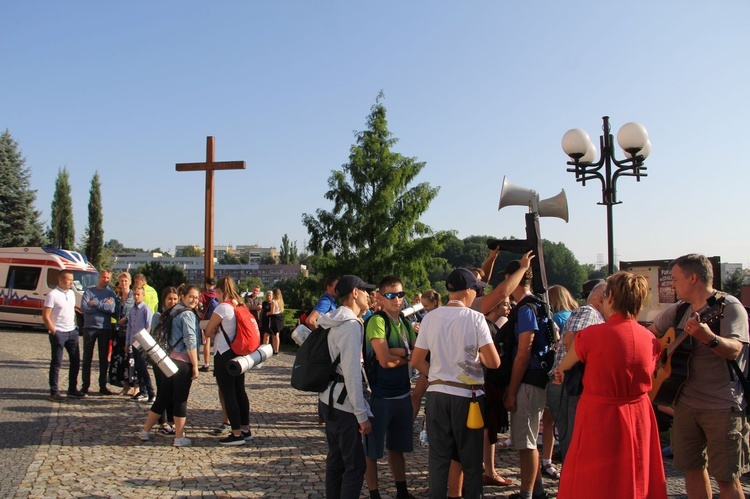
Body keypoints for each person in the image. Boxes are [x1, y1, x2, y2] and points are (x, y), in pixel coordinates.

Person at [556, 272, 667, 499]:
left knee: (594, 477)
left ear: (611, 298)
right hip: (638, 413)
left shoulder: (592, 335)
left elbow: (564, 366)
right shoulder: (650, 339)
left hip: (600, 413)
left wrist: (560, 373)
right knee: (635, 472)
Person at [648, 254, 750, 499]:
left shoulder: (728, 306)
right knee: (691, 469)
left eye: (675, 278)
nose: (672, 284)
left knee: (726, 477)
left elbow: (735, 349)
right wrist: (656, 357)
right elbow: (651, 336)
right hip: (684, 404)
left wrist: (710, 338)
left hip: (721, 406)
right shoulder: (679, 309)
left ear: (692, 278)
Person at [412, 268, 501, 499]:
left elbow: (417, 360)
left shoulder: (430, 317)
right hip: (467, 396)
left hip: (437, 394)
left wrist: (436, 376)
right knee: (471, 460)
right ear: (469, 291)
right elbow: (494, 361)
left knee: (438, 460)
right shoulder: (476, 318)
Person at [317, 275, 375, 499]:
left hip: (327, 399)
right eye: (365, 290)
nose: (369, 295)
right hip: (344, 405)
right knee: (355, 467)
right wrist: (362, 415)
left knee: (336, 462)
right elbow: (351, 373)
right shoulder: (351, 326)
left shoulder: (332, 318)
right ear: (354, 293)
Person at [364, 275, 417, 499]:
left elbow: (417, 354)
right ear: (380, 298)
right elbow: (385, 361)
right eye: (391, 295)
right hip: (381, 395)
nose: (397, 299)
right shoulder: (378, 321)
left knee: (398, 447)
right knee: (372, 451)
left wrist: (401, 353)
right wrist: (407, 356)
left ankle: (402, 491)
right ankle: (374, 493)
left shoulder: (404, 323)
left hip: (403, 393)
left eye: (400, 294)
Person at [502, 260, 550, 499]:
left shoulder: (526, 308)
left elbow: (523, 352)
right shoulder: (540, 304)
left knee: (526, 441)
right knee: (527, 436)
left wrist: (511, 391)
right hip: (536, 378)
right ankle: (537, 489)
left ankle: (526, 493)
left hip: (527, 380)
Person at [546, 279, 605, 463]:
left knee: (574, 443)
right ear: (603, 298)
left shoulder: (593, 314)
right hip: (568, 384)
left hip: (568, 384)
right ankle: (571, 488)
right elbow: (571, 340)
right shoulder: (589, 312)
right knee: (573, 445)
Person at [136, 284, 201, 447]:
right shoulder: (187, 314)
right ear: (183, 296)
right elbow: (190, 341)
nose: (194, 300)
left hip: (167, 360)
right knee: (180, 399)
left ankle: (145, 431)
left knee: (163, 397)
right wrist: (195, 365)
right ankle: (179, 437)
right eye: (191, 297)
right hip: (182, 362)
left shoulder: (174, 310)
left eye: (196, 297)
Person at [205, 277, 254, 446]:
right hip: (238, 354)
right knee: (240, 391)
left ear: (220, 291)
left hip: (223, 353)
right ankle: (245, 429)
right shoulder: (239, 305)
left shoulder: (223, 307)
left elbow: (208, 331)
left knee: (228, 393)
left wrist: (213, 331)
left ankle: (236, 433)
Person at [539, 285, 579, 479]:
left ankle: (547, 460)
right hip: (575, 376)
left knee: (551, 420)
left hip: (558, 374)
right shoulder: (575, 315)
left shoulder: (555, 318)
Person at [44, 270, 86, 401]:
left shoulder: (72, 294)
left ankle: (72, 388)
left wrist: (75, 329)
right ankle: (54, 391)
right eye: (69, 280)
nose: (71, 282)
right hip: (58, 332)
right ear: (61, 280)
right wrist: (54, 331)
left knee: (75, 361)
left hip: (72, 331)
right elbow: (45, 316)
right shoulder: (53, 295)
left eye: (72, 279)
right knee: (56, 362)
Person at [80, 269, 116, 395]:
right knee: (87, 358)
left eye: (108, 278)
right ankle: (85, 386)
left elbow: (111, 309)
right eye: (103, 277)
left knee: (103, 359)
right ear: (99, 277)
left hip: (104, 328)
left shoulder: (111, 293)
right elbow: (84, 307)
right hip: (89, 327)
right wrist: (102, 306)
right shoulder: (89, 291)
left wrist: (94, 303)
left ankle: (102, 385)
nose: (105, 280)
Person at [150, 287, 180, 435]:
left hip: (175, 357)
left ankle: (171, 422)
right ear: (164, 300)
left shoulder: (179, 315)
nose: (172, 302)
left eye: (175, 299)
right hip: (160, 358)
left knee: (173, 391)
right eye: (170, 299)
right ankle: (162, 422)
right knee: (162, 390)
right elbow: (154, 337)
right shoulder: (158, 316)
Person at [126, 286, 154, 403]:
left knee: (143, 367)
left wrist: (145, 342)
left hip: (142, 343)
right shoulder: (132, 310)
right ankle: (142, 391)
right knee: (137, 367)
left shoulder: (146, 310)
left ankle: (150, 391)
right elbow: (130, 327)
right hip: (133, 342)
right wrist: (127, 342)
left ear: (143, 295)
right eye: (134, 295)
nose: (136, 297)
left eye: (138, 295)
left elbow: (149, 327)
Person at [109, 272, 135, 395]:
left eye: (125, 281)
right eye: (121, 281)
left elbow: (138, 313)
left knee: (130, 360)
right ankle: (125, 386)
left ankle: (136, 386)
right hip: (119, 333)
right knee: (120, 361)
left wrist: (127, 319)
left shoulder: (133, 297)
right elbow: (114, 313)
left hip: (130, 332)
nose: (123, 283)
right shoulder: (117, 298)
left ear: (130, 282)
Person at [198, 277, 218, 372]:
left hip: (206, 320)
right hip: (217, 319)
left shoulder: (203, 295)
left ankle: (206, 364)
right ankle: (218, 364)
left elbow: (199, 305)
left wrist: (199, 314)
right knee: (218, 342)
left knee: (206, 342)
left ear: (206, 285)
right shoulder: (217, 294)